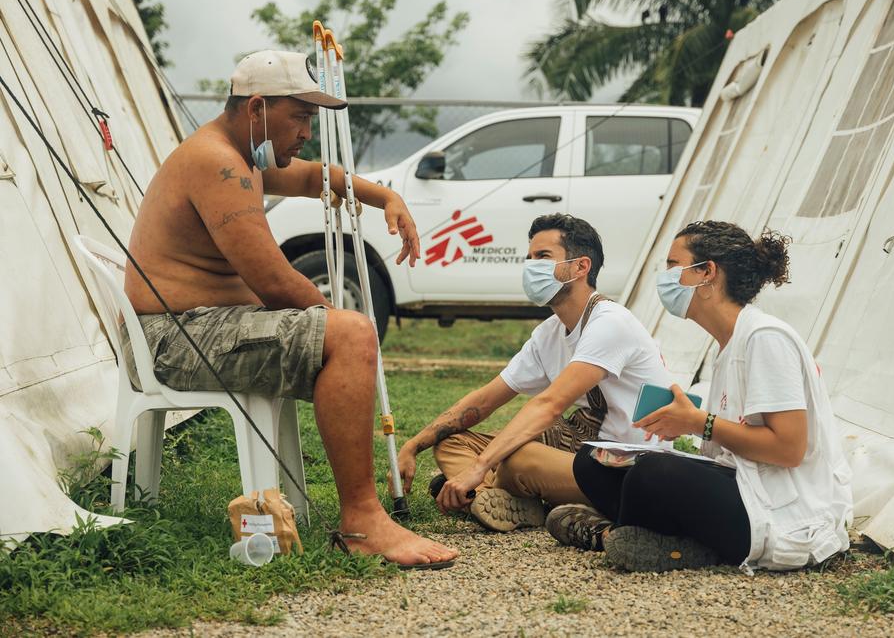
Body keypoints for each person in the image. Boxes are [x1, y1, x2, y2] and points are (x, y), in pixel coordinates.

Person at [121, 50, 456, 569]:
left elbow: (310, 177)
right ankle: (362, 520)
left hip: (192, 329)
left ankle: (361, 512)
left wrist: (386, 196)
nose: (306, 133)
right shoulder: (219, 162)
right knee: (349, 334)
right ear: (257, 108)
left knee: (345, 333)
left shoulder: (244, 156)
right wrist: (337, 330)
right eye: (299, 117)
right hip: (173, 339)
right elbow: (274, 281)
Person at [563, 220, 853, 573]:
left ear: (706, 273)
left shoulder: (765, 338)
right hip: (744, 485)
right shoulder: (730, 345)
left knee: (654, 473)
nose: (665, 276)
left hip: (782, 512)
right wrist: (686, 425)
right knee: (593, 461)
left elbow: (788, 449)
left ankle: (624, 535)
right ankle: (651, 539)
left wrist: (700, 423)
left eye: (673, 265)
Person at [396, 214, 674, 534]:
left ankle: (495, 492)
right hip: (582, 452)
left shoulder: (610, 322)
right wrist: (413, 445)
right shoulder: (549, 333)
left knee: (519, 460)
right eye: (529, 258)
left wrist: (479, 467)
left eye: (543, 257)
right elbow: (485, 399)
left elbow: (549, 405)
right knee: (450, 443)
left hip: (630, 468)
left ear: (581, 267)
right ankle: (498, 500)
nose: (531, 266)